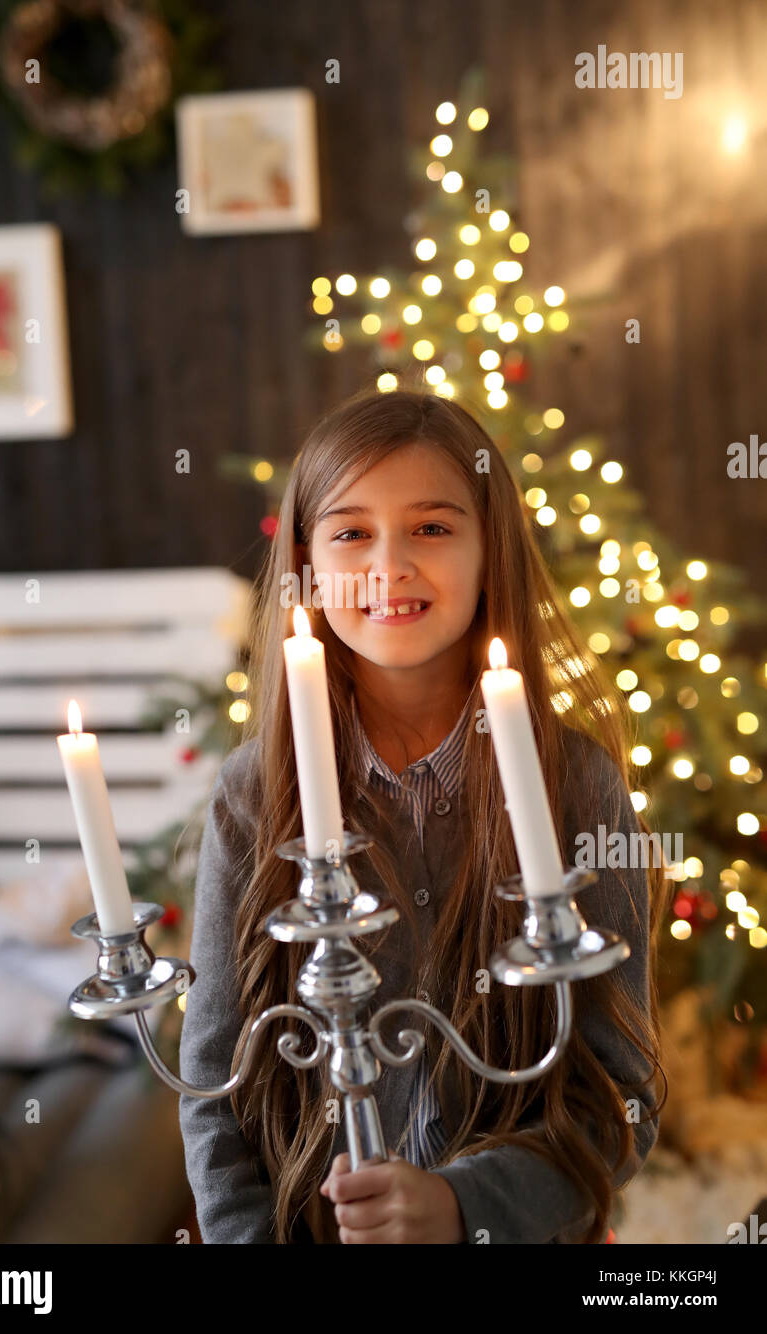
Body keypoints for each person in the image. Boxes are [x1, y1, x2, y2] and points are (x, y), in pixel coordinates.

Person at [179, 386, 670, 1244]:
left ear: (492, 552)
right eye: (352, 533)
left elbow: (621, 1096)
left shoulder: (577, 786)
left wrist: (463, 1206)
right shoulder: (254, 795)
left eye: (434, 528)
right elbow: (217, 1093)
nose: (390, 565)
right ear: (306, 563)